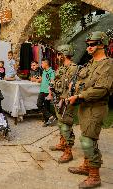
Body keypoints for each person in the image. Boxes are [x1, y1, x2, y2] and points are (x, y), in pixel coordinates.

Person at [67, 31, 113, 189]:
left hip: (96, 107)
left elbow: (102, 89)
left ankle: (94, 176)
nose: (89, 47)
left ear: (102, 44)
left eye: (92, 44)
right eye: (88, 44)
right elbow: (83, 80)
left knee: (88, 141)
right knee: (86, 136)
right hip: (85, 106)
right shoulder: (90, 63)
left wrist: (79, 96)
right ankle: (86, 166)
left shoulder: (108, 64)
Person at [48, 45, 77, 164]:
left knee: (66, 124)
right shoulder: (61, 68)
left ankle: (68, 151)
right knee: (60, 123)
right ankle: (62, 142)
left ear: (64, 55)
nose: (58, 56)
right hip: (57, 99)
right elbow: (55, 81)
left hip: (66, 101)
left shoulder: (73, 68)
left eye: (59, 54)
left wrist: (64, 99)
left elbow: (72, 87)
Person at [37, 58, 56, 127]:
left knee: (46, 106)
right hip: (42, 90)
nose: (41, 65)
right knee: (39, 104)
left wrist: (50, 93)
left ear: (46, 63)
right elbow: (43, 80)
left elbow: (52, 82)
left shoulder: (51, 72)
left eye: (42, 63)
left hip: (47, 91)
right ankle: (50, 117)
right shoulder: (44, 71)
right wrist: (37, 80)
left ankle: (47, 121)